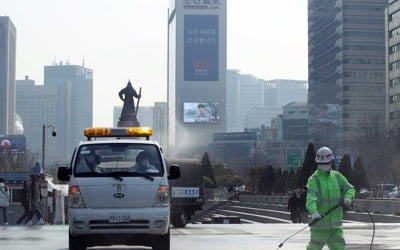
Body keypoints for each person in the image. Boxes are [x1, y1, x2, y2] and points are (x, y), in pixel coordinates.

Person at [306, 147, 355, 250]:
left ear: (331, 162)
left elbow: (350, 188)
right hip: (320, 226)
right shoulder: (313, 180)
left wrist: (348, 198)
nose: (324, 165)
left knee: (340, 248)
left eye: (326, 163)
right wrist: (313, 211)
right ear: (317, 163)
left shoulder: (337, 176)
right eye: (321, 163)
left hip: (335, 227)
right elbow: (311, 198)